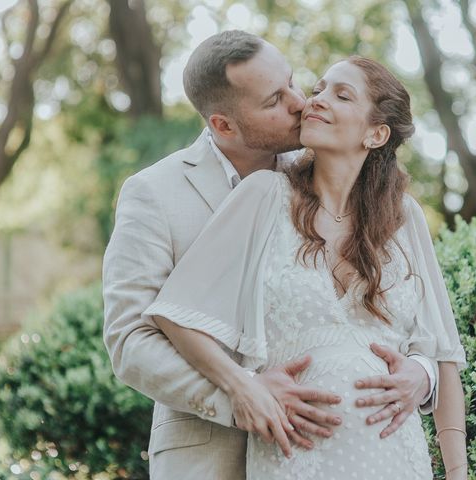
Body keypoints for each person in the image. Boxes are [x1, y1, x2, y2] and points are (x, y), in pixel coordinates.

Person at [103, 30, 435, 480]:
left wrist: (422, 371)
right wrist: (239, 394)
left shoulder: (329, 173)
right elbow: (130, 341)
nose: (301, 102)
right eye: (275, 100)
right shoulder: (155, 195)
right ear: (223, 125)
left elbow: (397, 304)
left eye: (295, 82)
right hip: (209, 456)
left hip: (338, 456)